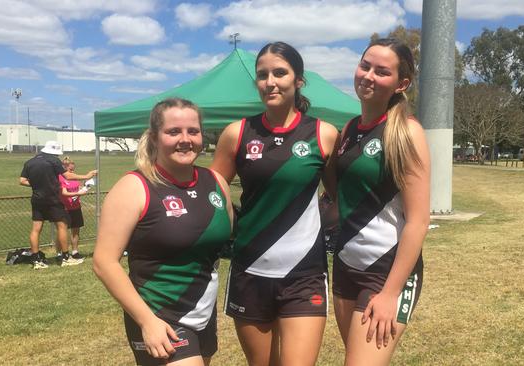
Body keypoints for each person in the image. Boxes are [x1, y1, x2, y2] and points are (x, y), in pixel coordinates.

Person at [210, 41, 339, 366]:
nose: (270, 81)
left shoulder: (323, 134)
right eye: (262, 74)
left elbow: (339, 196)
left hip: (304, 274)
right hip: (250, 270)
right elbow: (213, 190)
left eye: (280, 73)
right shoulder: (237, 133)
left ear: (299, 80)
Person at [93, 98, 233, 366]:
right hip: (159, 315)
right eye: (173, 132)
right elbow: (104, 262)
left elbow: (225, 239)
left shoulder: (216, 182)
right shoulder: (134, 187)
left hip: (203, 312)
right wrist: (147, 321)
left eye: (193, 131)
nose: (185, 139)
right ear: (155, 138)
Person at [329, 37, 431, 365]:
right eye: (365, 66)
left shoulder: (406, 132)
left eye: (381, 72)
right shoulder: (348, 129)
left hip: (386, 272)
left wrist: (390, 293)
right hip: (345, 266)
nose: (368, 76)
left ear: (401, 83)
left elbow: (418, 220)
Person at [19, 141, 97, 269]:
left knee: (36, 228)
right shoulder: (53, 161)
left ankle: (36, 260)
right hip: (52, 199)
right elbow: (67, 176)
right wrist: (86, 176)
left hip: (37, 198)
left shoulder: (30, 162)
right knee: (62, 225)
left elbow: (22, 181)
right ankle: (65, 257)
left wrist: (38, 185)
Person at [58, 156, 89, 260]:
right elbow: (64, 193)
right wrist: (78, 193)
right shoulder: (60, 177)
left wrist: (85, 187)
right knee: (62, 231)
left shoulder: (74, 177)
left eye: (73, 169)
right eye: (70, 169)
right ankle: (60, 253)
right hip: (64, 208)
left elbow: (78, 187)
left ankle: (75, 251)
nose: (72, 171)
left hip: (76, 207)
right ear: (64, 167)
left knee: (76, 230)